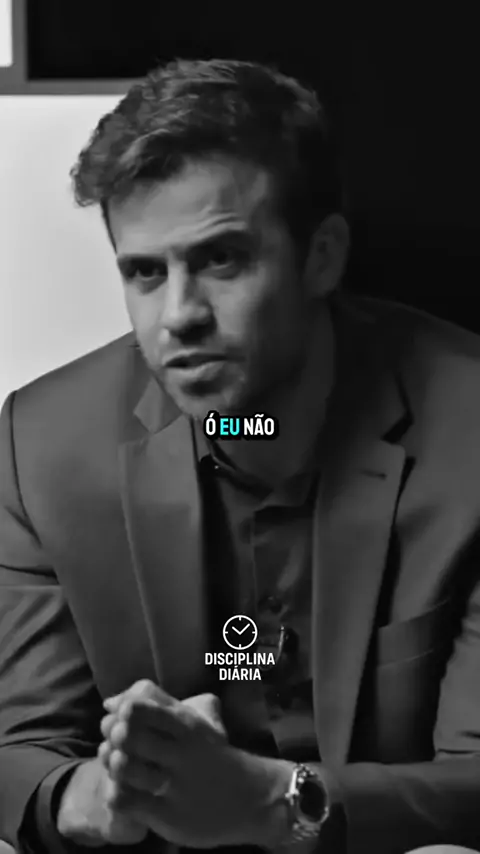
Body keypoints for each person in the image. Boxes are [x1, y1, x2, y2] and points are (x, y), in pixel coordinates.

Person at [0, 57, 479, 854]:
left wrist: (271, 802)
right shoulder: (42, 444)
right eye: (145, 273)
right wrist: (96, 794)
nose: (178, 315)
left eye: (220, 259)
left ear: (322, 256)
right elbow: (19, 749)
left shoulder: (470, 433)